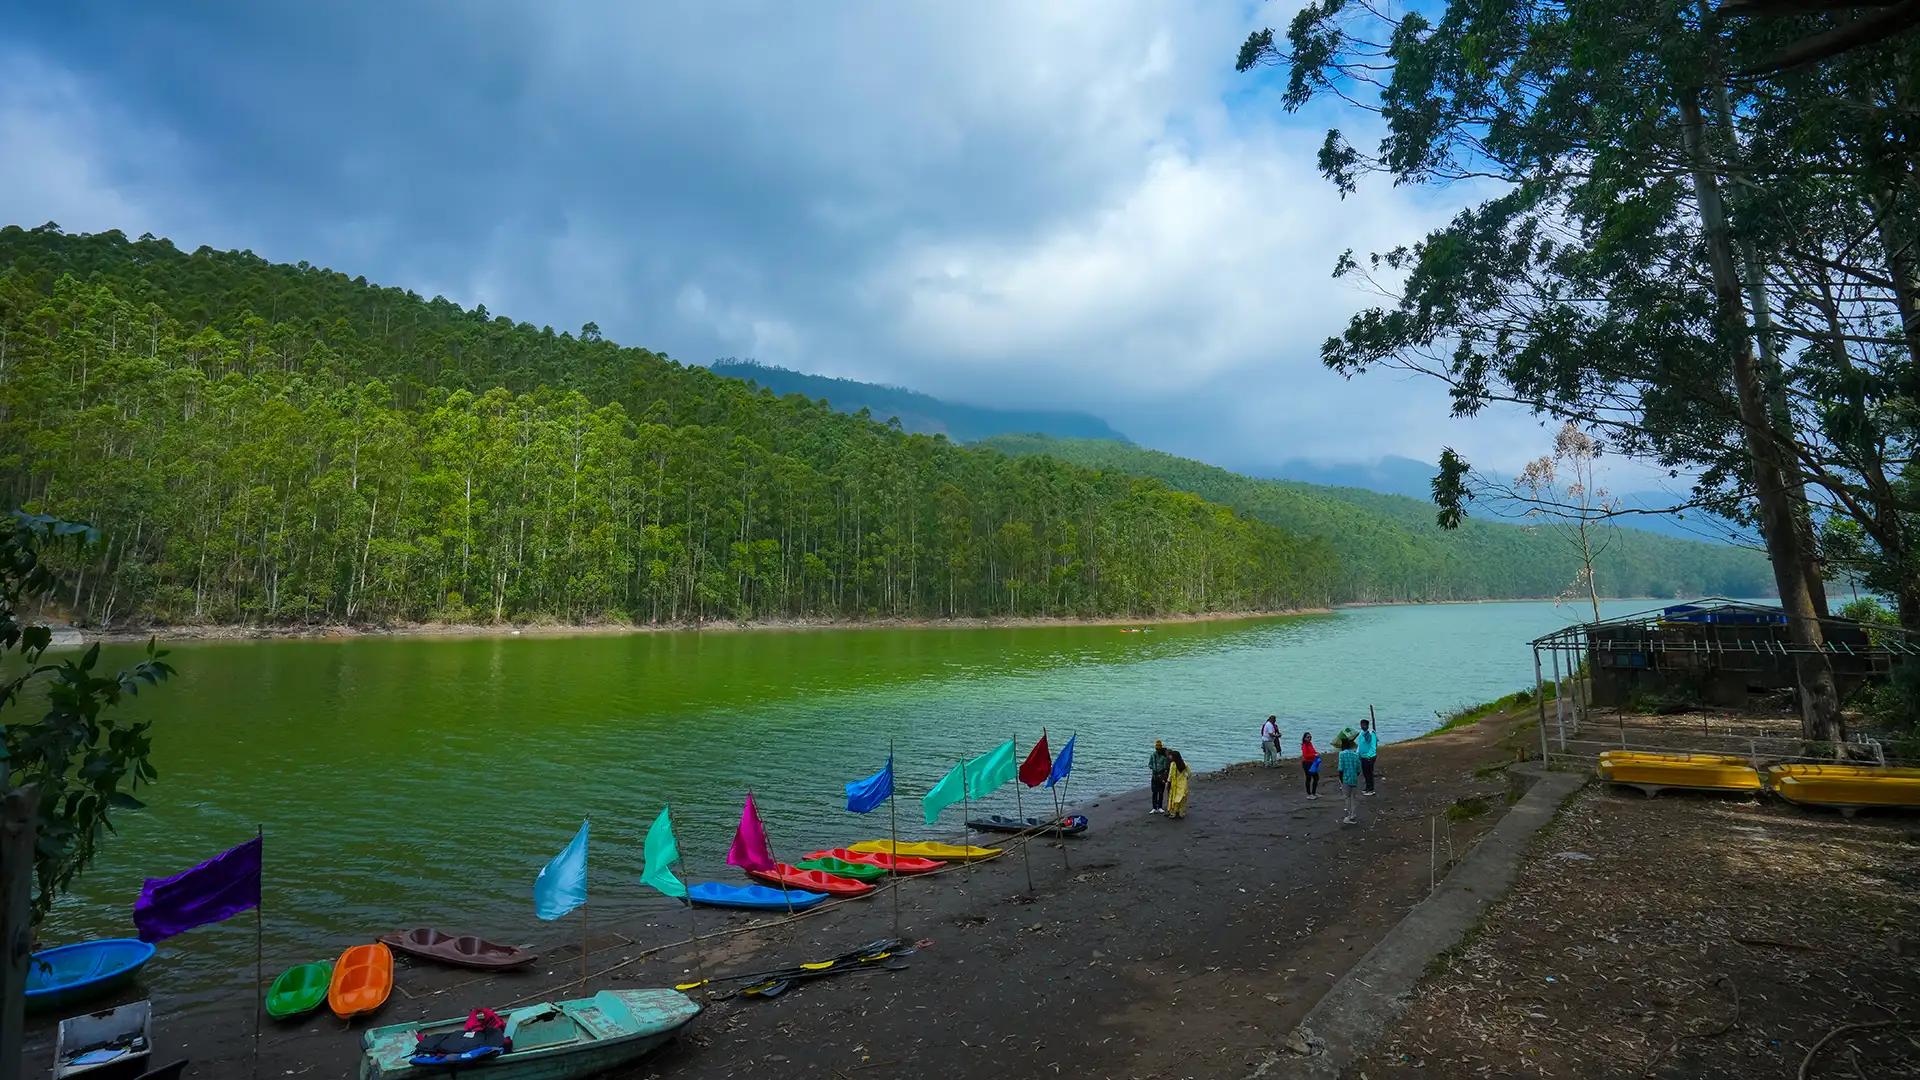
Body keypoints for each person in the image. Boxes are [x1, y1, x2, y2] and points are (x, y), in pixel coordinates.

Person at [1337, 734, 1362, 825]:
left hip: (1345, 779)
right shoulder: (1355, 754)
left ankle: (1347, 816)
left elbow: (1340, 769)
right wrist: (1355, 775)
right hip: (1354, 778)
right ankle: (1353, 814)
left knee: (1347, 798)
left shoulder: (1341, 754)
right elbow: (1359, 769)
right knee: (1353, 798)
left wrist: (1341, 780)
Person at [1165, 749, 1191, 818]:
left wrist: (1168, 782)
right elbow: (1190, 773)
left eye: (1171, 756)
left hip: (1175, 784)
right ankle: (1181, 813)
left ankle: (1173, 812)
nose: (1170, 757)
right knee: (1182, 799)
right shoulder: (1184, 763)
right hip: (1183, 784)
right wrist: (1186, 777)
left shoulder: (1173, 764)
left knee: (1174, 798)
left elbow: (1170, 775)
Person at [1357, 717, 1380, 795]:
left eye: (1364, 725)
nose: (1362, 726)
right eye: (1361, 725)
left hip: (1369, 757)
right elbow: (1360, 745)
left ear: (1367, 725)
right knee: (1365, 773)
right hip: (1363, 756)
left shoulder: (1370, 733)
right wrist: (1358, 754)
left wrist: (1369, 755)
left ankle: (1371, 790)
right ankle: (1367, 788)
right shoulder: (1361, 733)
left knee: (1369, 773)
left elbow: (1370, 742)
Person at [1149, 739, 1171, 814]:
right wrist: (1152, 767)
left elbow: (1165, 766)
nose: (1157, 749)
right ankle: (1154, 808)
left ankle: (1160, 807)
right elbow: (1149, 764)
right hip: (1154, 775)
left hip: (1161, 776)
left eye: (1159, 748)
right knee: (1154, 792)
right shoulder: (1152, 755)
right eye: (1157, 748)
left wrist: (1162, 771)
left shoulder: (1164, 757)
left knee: (1161, 792)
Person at [1300, 732, 1320, 798]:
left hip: (1312, 763)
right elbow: (1305, 755)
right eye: (1308, 737)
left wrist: (1316, 753)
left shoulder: (1310, 744)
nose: (1309, 738)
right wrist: (1314, 755)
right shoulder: (1304, 745)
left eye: (1310, 737)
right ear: (1304, 738)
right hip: (1306, 763)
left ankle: (1314, 793)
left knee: (1316, 777)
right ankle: (1309, 794)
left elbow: (1313, 751)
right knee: (1308, 778)